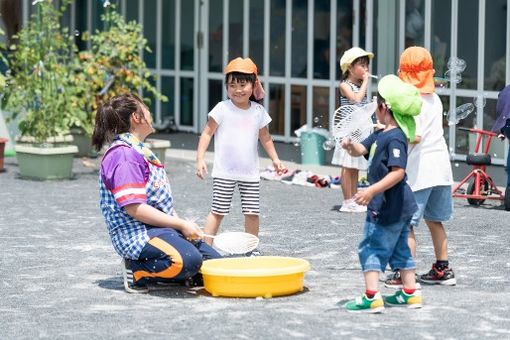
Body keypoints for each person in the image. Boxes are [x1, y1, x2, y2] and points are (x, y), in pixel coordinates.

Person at [92, 93, 221, 294]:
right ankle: (137, 272)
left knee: (215, 266)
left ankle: (177, 273)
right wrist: (180, 225)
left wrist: (183, 225)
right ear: (137, 117)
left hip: (160, 228)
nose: (149, 113)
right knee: (188, 261)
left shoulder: (138, 150)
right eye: (145, 108)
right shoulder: (124, 155)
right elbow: (135, 209)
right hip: (138, 233)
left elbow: (159, 202)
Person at [342, 75, 423, 313]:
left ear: (385, 107)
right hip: (397, 205)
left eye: (376, 102)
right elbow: (361, 150)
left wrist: (372, 190)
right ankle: (410, 293)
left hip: (388, 204)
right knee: (400, 249)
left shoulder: (396, 137)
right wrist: (350, 146)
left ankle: (371, 296)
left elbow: (398, 173)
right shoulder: (381, 133)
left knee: (370, 247)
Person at [196, 57, 287, 249]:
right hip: (224, 172)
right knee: (217, 211)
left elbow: (266, 138)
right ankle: (206, 248)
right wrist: (200, 158)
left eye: (242, 84)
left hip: (250, 173)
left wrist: (276, 160)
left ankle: (251, 249)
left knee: (252, 212)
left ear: (254, 85)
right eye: (232, 85)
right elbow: (207, 133)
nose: (237, 90)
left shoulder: (258, 111)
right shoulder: (221, 108)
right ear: (226, 87)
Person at [385, 47, 456, 288]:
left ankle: (404, 273)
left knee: (407, 224)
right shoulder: (434, 99)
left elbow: (415, 137)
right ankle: (443, 269)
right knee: (435, 220)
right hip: (442, 170)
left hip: (421, 171)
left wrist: (389, 133)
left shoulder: (410, 102)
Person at [332, 47, 374, 213]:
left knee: (355, 166)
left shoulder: (359, 85)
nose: (366, 69)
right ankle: (347, 200)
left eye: (366, 65)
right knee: (347, 166)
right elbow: (356, 100)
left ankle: (354, 199)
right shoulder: (345, 85)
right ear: (349, 67)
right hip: (348, 132)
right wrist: (365, 82)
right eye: (362, 65)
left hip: (359, 132)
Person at [492, 84, 510, 189]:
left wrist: (501, 128)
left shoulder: (506, 89)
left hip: (507, 123)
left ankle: (509, 186)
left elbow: (499, 108)